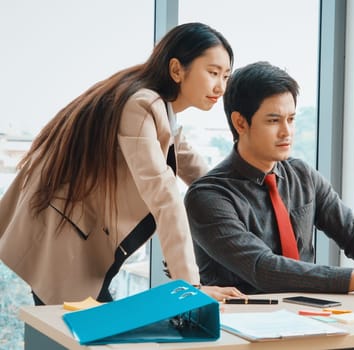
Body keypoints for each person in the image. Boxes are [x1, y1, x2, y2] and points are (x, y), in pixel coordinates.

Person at [0, 22, 245, 305]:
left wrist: (235, 198)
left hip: (73, 237)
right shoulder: (141, 105)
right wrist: (190, 288)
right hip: (62, 242)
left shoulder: (161, 109)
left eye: (226, 76)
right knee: (79, 336)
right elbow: (164, 196)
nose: (221, 87)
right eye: (213, 73)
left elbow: (195, 168)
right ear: (177, 69)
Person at [185, 61, 354, 295]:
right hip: (242, 331)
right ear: (240, 122)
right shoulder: (208, 196)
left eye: (291, 119)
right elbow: (263, 268)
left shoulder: (302, 175)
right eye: (273, 121)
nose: (287, 132)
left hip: (309, 318)